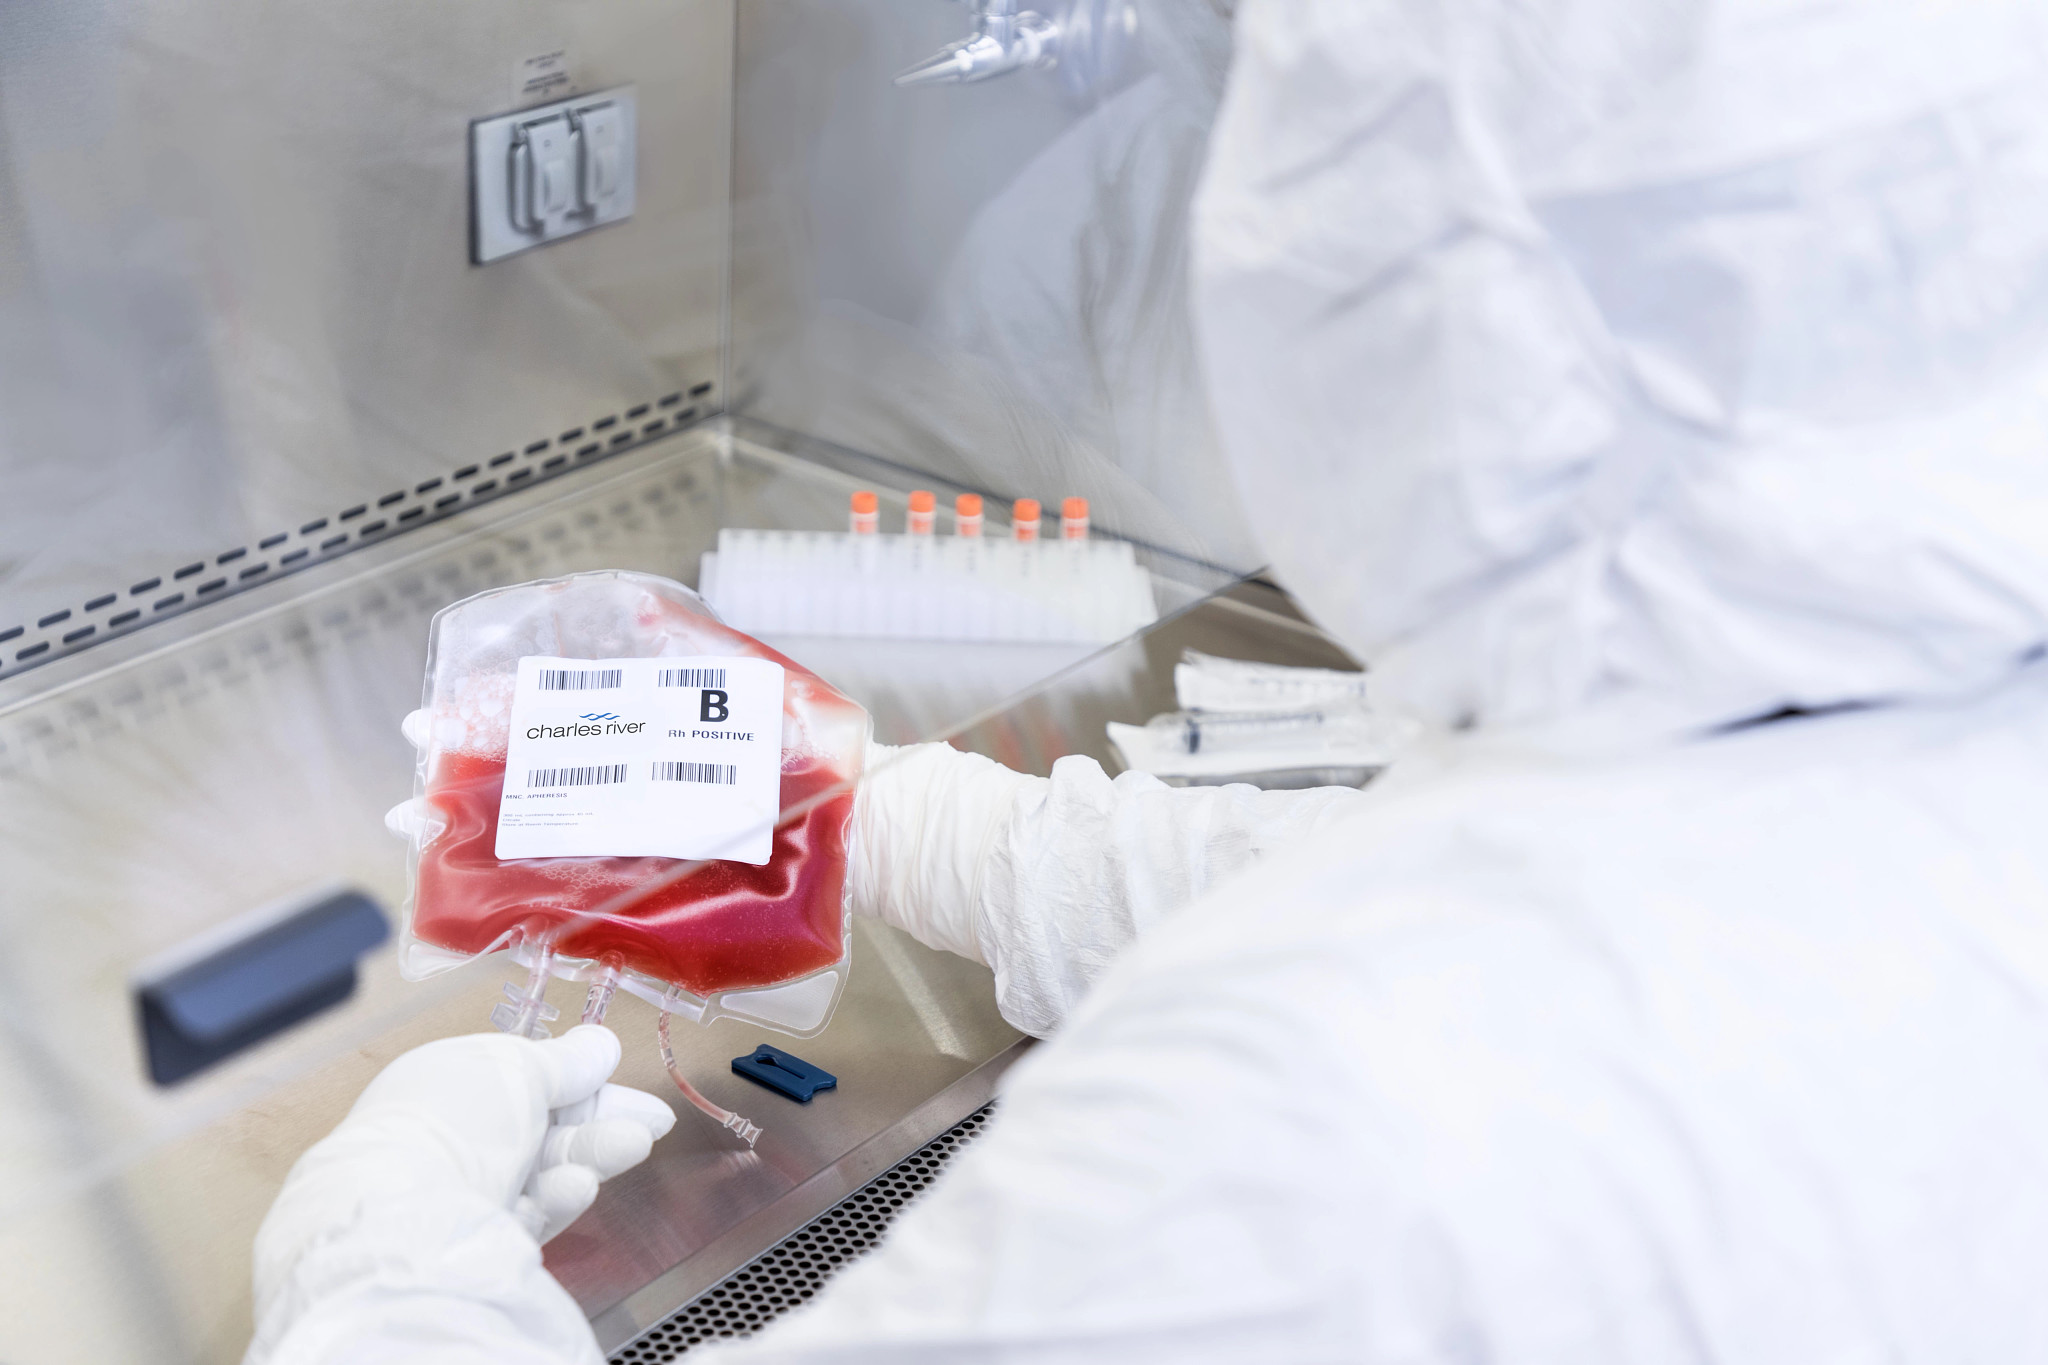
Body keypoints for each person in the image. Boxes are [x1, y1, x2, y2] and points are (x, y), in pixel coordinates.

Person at [247, 0, 2048, 1360]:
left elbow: (1430, 991)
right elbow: (1525, 907)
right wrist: (887, 819)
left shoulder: (1325, 1122)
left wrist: (379, 1262)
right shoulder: (1934, 745)